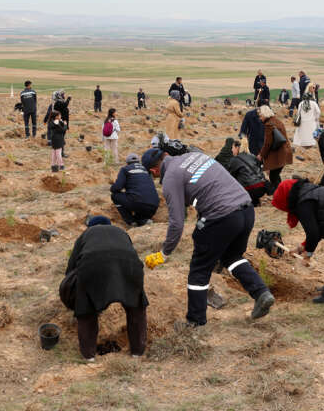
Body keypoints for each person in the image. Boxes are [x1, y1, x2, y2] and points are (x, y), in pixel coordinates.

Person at [141, 146, 274, 326]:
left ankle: (195, 321)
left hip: (221, 216)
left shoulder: (170, 177)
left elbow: (176, 222)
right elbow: (208, 188)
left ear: (154, 171)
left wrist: (164, 253)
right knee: (232, 257)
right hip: (246, 208)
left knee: (199, 269)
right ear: (166, 155)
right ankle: (261, 293)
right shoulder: (195, 156)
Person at [62, 215, 148, 360]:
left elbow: (71, 268)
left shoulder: (86, 235)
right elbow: (131, 254)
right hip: (130, 266)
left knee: (86, 307)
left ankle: (89, 356)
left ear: (90, 227)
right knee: (136, 306)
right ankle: (137, 353)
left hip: (92, 265)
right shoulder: (122, 232)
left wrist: (75, 293)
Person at [110, 154, 159, 225]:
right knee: (139, 214)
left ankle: (131, 222)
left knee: (114, 196)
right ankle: (144, 221)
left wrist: (113, 188)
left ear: (127, 163)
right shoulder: (146, 170)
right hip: (154, 205)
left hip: (137, 203)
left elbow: (117, 187)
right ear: (138, 162)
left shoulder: (125, 169)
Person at [257, 104, 293, 193]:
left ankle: (279, 194)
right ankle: (283, 192)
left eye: (260, 116)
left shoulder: (269, 125)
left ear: (265, 114)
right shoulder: (277, 121)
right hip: (285, 152)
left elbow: (268, 143)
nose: (260, 118)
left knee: (273, 176)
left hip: (279, 154)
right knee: (275, 175)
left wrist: (261, 155)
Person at [46, 108, 67, 172]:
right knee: (58, 153)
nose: (60, 116)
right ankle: (61, 165)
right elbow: (62, 130)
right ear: (56, 116)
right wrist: (65, 124)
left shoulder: (51, 122)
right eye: (59, 115)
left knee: (54, 153)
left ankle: (53, 165)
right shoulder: (57, 123)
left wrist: (61, 121)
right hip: (59, 139)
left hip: (53, 139)